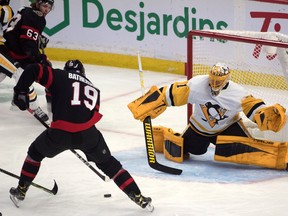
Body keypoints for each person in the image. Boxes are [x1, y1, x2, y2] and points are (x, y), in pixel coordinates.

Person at [9, 60, 153, 211]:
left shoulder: (58, 75)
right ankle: (139, 198)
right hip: (88, 135)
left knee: (34, 153)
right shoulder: (94, 89)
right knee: (110, 165)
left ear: (66, 70)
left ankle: (20, 192)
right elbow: (90, 114)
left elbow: (33, 69)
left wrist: (21, 91)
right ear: (83, 73)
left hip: (59, 134)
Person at [128, 62, 288, 170]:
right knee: (187, 150)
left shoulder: (238, 93)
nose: (214, 84)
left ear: (227, 79)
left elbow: (254, 108)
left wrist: (265, 113)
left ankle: (281, 157)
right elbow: (170, 93)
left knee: (247, 151)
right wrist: (153, 101)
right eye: (212, 79)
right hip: (200, 128)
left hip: (228, 127)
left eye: (219, 81)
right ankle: (160, 137)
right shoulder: (197, 85)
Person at [0, 0, 54, 122]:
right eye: (44, 6)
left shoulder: (26, 11)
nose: (46, 10)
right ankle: (35, 108)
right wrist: (40, 57)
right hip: (6, 51)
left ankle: (16, 101)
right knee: (21, 74)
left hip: (10, 50)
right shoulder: (35, 17)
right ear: (38, 4)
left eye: (49, 7)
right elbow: (27, 44)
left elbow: (20, 33)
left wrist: (38, 39)